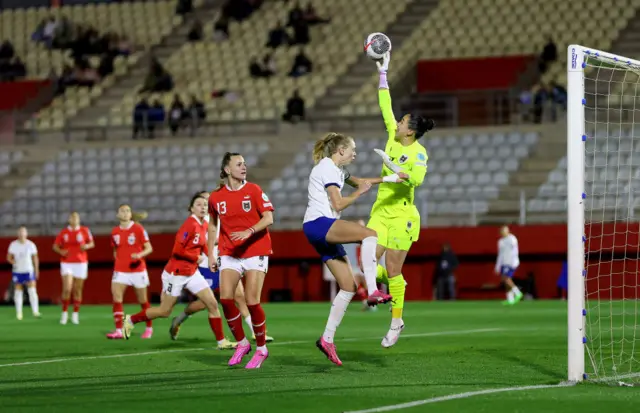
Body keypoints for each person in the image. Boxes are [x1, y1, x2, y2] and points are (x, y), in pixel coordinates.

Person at [304, 132, 409, 366]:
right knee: (370, 234)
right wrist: (358, 194)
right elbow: (338, 203)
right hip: (320, 223)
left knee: (348, 286)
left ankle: (327, 339)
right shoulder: (328, 169)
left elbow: (361, 181)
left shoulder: (337, 170)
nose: (355, 153)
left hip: (316, 227)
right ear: (340, 150)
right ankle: (373, 289)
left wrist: (391, 179)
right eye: (352, 149)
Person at [368, 52, 435, 348]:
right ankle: (388, 287)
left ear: (410, 130)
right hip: (381, 210)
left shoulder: (418, 153)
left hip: (403, 215)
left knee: (393, 271)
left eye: (403, 121)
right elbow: (386, 106)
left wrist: (396, 169)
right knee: (368, 261)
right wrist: (383, 72)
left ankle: (397, 321)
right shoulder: (391, 138)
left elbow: (417, 180)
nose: (397, 122)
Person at [169, 191, 274, 347]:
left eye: (207, 200)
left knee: (240, 296)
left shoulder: (223, 212)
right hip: (208, 264)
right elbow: (201, 242)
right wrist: (225, 240)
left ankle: (255, 331)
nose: (206, 203)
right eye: (203, 200)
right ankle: (179, 319)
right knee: (205, 303)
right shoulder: (202, 220)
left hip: (227, 260)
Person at [123, 194, 228, 346]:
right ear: (191, 208)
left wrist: (210, 257)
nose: (203, 207)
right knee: (165, 311)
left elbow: (203, 244)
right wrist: (195, 257)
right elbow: (177, 251)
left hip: (192, 272)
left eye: (205, 204)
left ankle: (222, 341)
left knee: (211, 303)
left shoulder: (203, 224)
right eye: (199, 204)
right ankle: (131, 319)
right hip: (176, 273)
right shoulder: (189, 225)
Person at [207, 152, 275, 369]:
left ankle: (262, 348)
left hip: (256, 249)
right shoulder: (215, 197)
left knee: (252, 301)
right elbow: (212, 225)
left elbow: (269, 218)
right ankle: (242, 343)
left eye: (245, 163)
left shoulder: (253, 190)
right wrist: (211, 252)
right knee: (226, 299)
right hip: (230, 253)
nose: (244, 167)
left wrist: (249, 231)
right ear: (227, 170)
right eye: (238, 164)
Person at [106, 205, 154, 339]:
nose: (126, 213)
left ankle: (149, 328)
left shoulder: (138, 229)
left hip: (137, 269)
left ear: (131, 214)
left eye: (128, 211)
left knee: (143, 301)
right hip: (120, 270)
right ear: (117, 215)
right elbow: (115, 249)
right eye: (122, 211)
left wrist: (139, 255)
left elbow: (149, 248)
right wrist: (118, 260)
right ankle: (119, 331)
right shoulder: (115, 231)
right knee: (116, 298)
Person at [53, 212, 95, 325]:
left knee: (77, 289)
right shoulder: (64, 232)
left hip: (81, 263)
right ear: (69, 219)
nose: (74, 219)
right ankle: (64, 313)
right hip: (67, 263)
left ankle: (75, 314)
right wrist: (61, 251)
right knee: (67, 288)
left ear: (79, 219)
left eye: (76, 217)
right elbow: (55, 246)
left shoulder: (85, 230)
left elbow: (92, 243)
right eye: (72, 217)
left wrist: (86, 246)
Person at [6, 226, 40, 320]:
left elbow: (35, 258)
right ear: (18, 234)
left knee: (32, 291)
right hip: (18, 271)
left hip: (28, 270)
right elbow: (9, 257)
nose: (21, 234)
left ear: (26, 234)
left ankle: (35, 311)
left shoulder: (31, 245)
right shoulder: (13, 245)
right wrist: (14, 262)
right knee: (18, 291)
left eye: (23, 232)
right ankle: (19, 313)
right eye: (20, 232)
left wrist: (36, 270)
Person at [495, 225, 523, 305]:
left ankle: (517, 293)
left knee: (506, 278)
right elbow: (500, 254)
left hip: (511, 262)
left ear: (507, 231)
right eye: (501, 231)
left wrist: (514, 262)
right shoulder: (500, 241)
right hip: (504, 263)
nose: (502, 232)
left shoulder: (512, 239)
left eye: (504, 231)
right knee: (505, 280)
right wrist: (498, 266)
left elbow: (514, 251)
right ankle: (510, 299)